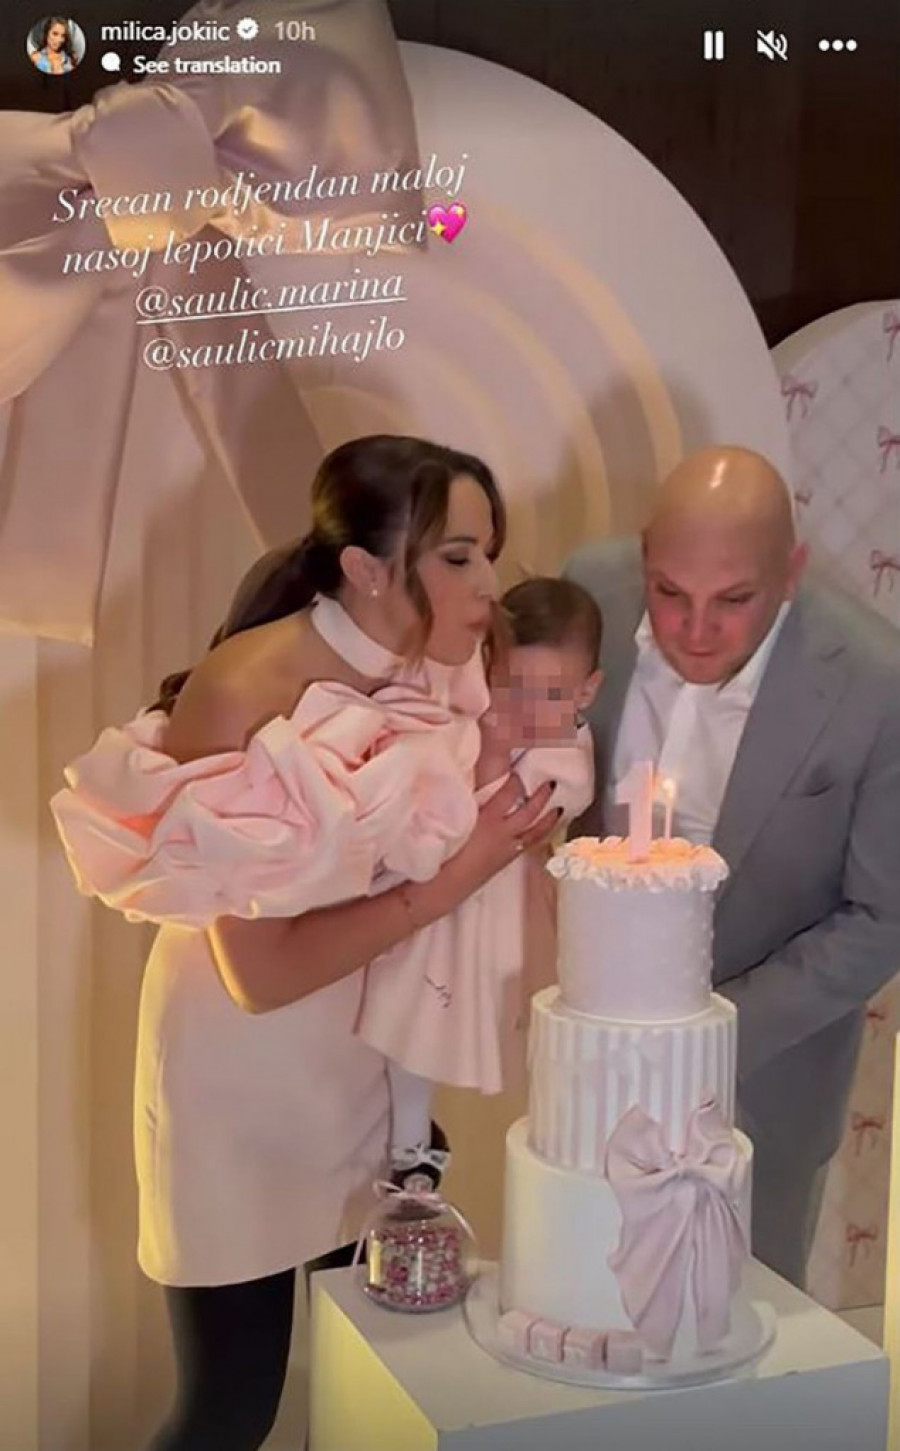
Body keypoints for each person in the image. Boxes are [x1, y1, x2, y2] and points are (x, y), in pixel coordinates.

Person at [51, 435, 561, 1451]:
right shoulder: (245, 686)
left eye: (488, 554)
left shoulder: (445, 662)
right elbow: (259, 973)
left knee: (372, 1388)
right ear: (365, 568)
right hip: (239, 1084)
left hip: (367, 1064)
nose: (486, 585)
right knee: (232, 1406)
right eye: (458, 556)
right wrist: (459, 873)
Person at [565, 444, 900, 1290]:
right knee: (571, 1307)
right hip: (580, 1064)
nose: (694, 628)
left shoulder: (878, 683)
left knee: (743, 1336)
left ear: (791, 572)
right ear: (644, 555)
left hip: (761, 1088)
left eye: (733, 600)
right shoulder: (587, 591)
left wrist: (707, 1036)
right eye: (670, 591)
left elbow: (883, 917)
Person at [355, 576, 603, 1189]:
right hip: (443, 907)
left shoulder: (568, 755)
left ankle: (555, 1147)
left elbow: (510, 817)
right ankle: (410, 1139)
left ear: (586, 692)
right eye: (511, 687)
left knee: (509, 1026)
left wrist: (490, 756)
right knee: (409, 1021)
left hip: (503, 911)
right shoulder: (467, 719)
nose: (526, 710)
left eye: (550, 694)